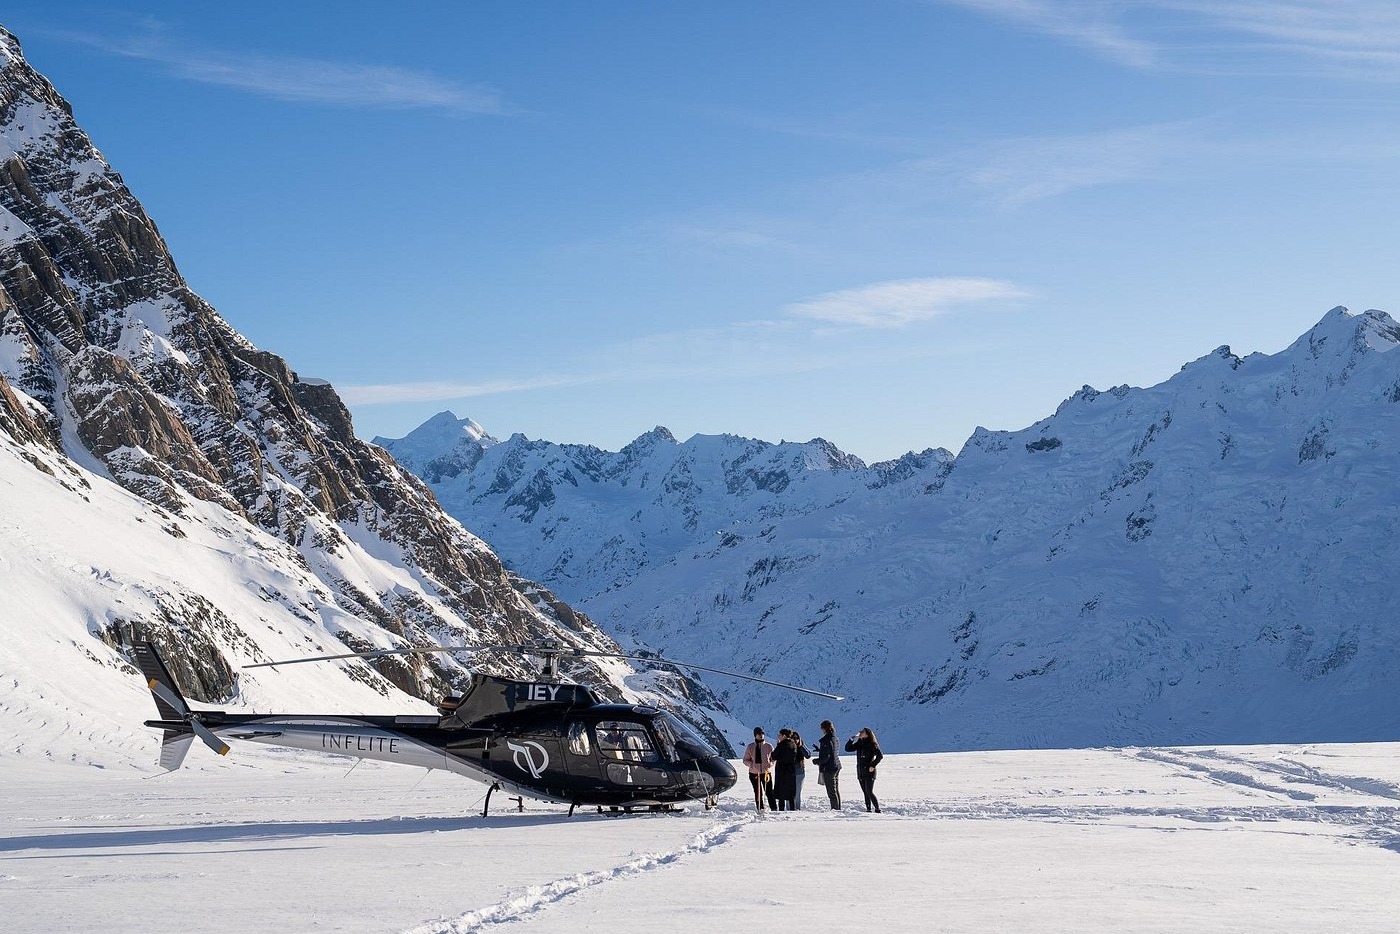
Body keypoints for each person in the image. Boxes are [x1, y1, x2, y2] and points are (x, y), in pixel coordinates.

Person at [844, 726, 885, 813]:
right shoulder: (859, 743)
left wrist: (873, 765)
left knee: (869, 791)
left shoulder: (872, 744)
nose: (860, 732)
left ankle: (877, 809)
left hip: (869, 771)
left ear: (867, 734)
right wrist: (851, 740)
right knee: (865, 792)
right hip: (860, 771)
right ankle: (868, 809)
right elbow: (848, 749)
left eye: (862, 731)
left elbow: (880, 756)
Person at [742, 726, 774, 812]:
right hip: (754, 773)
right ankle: (760, 808)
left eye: (762, 734)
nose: (761, 735)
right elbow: (745, 760)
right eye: (759, 734)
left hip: (766, 772)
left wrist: (770, 764)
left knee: (769, 791)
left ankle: (773, 808)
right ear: (755, 735)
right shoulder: (750, 747)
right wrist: (752, 765)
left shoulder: (768, 746)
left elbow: (773, 758)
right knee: (758, 792)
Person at [814, 719, 842, 810]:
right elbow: (833, 751)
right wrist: (820, 750)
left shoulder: (826, 740)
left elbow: (826, 757)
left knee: (831, 791)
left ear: (824, 729)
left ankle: (835, 809)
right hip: (836, 765)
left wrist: (817, 761)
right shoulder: (835, 738)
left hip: (829, 767)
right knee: (835, 790)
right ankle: (838, 808)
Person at [772, 728, 798, 811]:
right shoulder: (793, 744)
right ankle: (792, 809)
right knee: (790, 792)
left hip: (781, 770)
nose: (778, 737)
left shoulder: (781, 745)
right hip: (791, 770)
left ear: (783, 736)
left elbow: (774, 756)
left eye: (779, 735)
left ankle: (781, 810)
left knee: (781, 793)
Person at [790, 729, 811, 809]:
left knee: (797, 793)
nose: (795, 740)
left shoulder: (801, 747)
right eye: (793, 738)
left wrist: (801, 746)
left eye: (796, 738)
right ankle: (789, 809)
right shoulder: (788, 747)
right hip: (789, 773)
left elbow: (808, 755)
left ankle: (797, 809)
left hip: (799, 773)